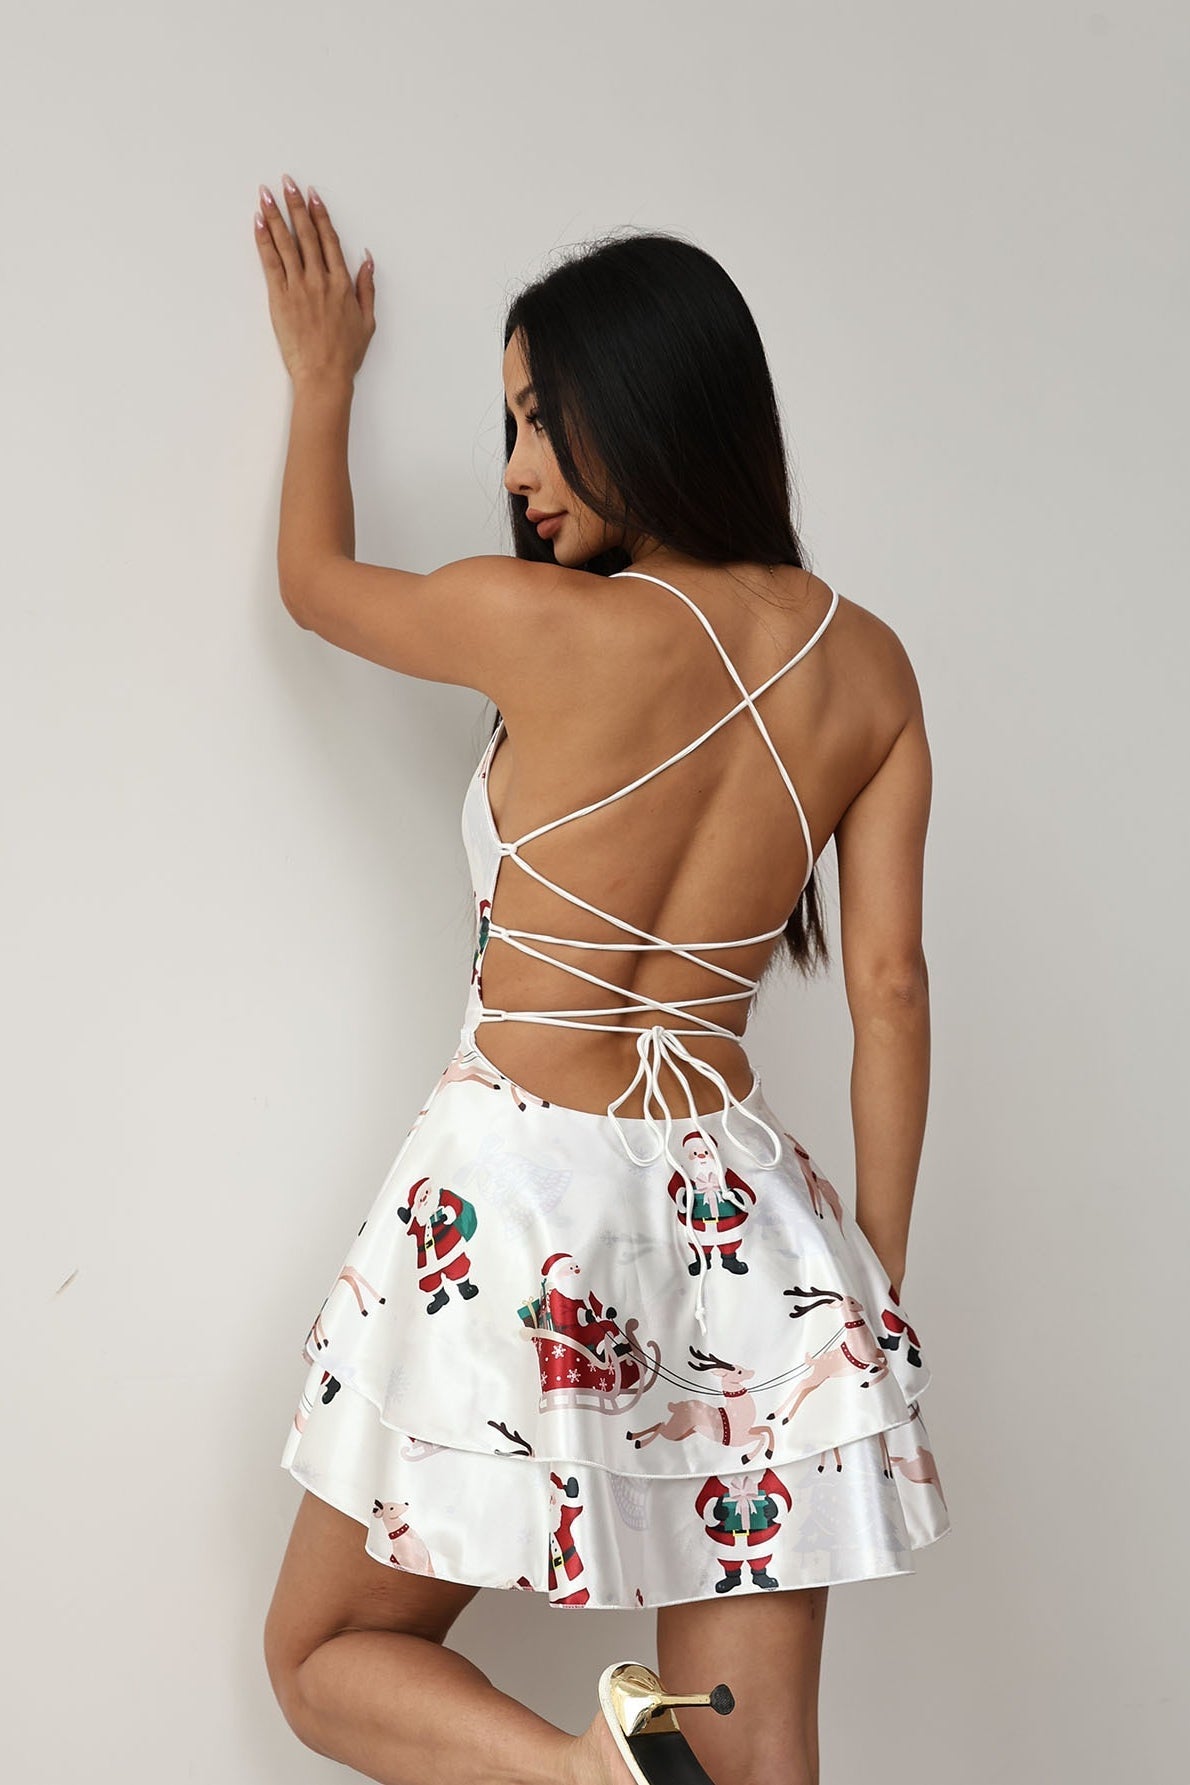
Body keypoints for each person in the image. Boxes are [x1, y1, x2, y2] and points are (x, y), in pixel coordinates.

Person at [253, 174, 951, 1785]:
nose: (512, 470)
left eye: (534, 418)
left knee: (320, 1654)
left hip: (518, 1192)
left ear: (638, 402)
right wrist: (868, 1288)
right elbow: (891, 989)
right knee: (753, 1761)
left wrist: (321, 382)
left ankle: (583, 1771)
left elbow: (314, 580)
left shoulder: (538, 623)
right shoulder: (870, 667)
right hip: (749, 1227)